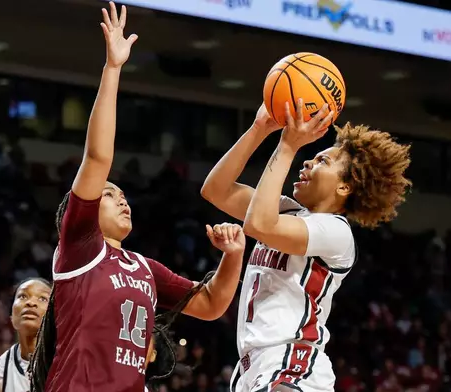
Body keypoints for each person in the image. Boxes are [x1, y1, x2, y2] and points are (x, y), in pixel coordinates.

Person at [29, 3, 246, 391]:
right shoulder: (79, 246)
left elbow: (212, 304)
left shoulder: (144, 268)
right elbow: (98, 157)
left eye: (124, 194)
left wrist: (233, 256)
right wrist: (113, 69)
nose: (123, 199)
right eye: (110, 195)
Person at [201, 101, 411, 392]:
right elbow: (215, 190)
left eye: (323, 161)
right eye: (312, 157)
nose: (308, 162)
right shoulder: (287, 212)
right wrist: (258, 130)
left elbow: (259, 225)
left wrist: (287, 146)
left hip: (292, 362)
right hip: (253, 365)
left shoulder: (337, 232)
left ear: (344, 187)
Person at [0, 278, 52, 392]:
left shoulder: (68, 362)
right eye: (23, 296)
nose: (31, 303)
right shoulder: (0, 370)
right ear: (11, 316)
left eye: (42, 298)